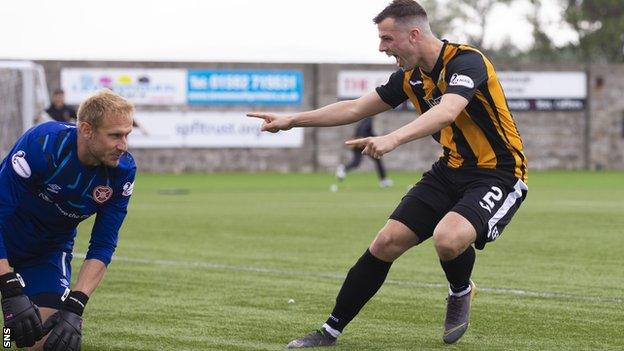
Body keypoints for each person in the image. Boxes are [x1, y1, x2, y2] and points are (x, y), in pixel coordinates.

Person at [247, 0, 528, 348]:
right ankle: (329, 332)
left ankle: (460, 290)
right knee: (385, 242)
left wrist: (392, 138)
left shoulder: (466, 61)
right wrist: (292, 120)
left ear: (413, 35)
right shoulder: (411, 78)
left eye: (387, 39)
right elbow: (353, 108)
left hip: (497, 172)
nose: (382, 48)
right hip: (450, 169)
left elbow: (447, 112)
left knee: (448, 238)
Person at [0, 89, 136, 350]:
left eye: (127, 135)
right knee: (12, 312)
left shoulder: (123, 174)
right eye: (115, 135)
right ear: (86, 129)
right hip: (5, 235)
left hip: (46, 252)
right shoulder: (43, 144)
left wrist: (76, 305)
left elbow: (103, 244)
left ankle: (8, 334)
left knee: (48, 340)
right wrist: (9, 287)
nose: (123, 146)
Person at [335, 117, 393, 188]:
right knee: (375, 160)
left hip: (358, 143)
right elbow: (364, 132)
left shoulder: (364, 120)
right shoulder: (369, 120)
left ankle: (343, 168)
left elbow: (363, 132)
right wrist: (376, 138)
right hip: (362, 144)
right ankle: (383, 180)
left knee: (357, 162)